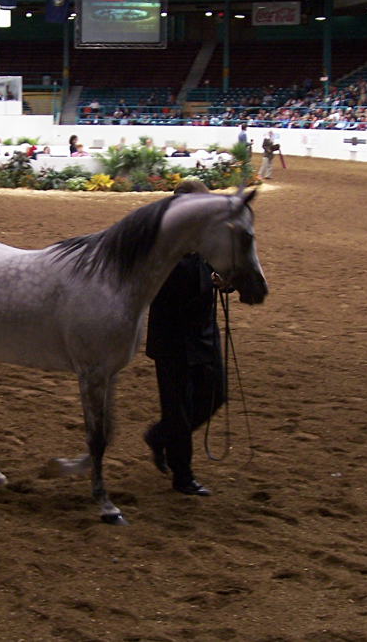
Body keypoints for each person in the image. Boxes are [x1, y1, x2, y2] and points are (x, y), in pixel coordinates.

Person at [143, 179, 227, 496]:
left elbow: (221, 268)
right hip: (172, 336)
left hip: (203, 330)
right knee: (178, 409)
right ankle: (183, 475)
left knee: (215, 394)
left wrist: (223, 279)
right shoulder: (160, 238)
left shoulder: (202, 237)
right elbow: (164, 284)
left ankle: (159, 436)